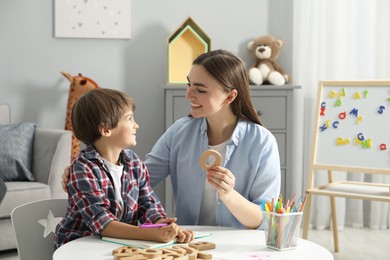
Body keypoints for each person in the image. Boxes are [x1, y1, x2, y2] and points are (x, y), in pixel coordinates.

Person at [62, 49, 281, 230]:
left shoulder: (262, 142)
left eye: (200, 90)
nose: (188, 95)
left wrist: (228, 194)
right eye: (189, 85)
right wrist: (87, 172)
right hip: (189, 243)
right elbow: (138, 179)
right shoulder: (181, 132)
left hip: (239, 246)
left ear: (230, 96)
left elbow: (264, 220)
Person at [55, 88, 193, 249]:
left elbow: (147, 203)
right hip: (80, 247)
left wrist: (160, 223)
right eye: (129, 119)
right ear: (105, 129)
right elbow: (103, 223)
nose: (136, 125)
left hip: (119, 245)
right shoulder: (83, 169)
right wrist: (150, 234)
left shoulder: (133, 162)